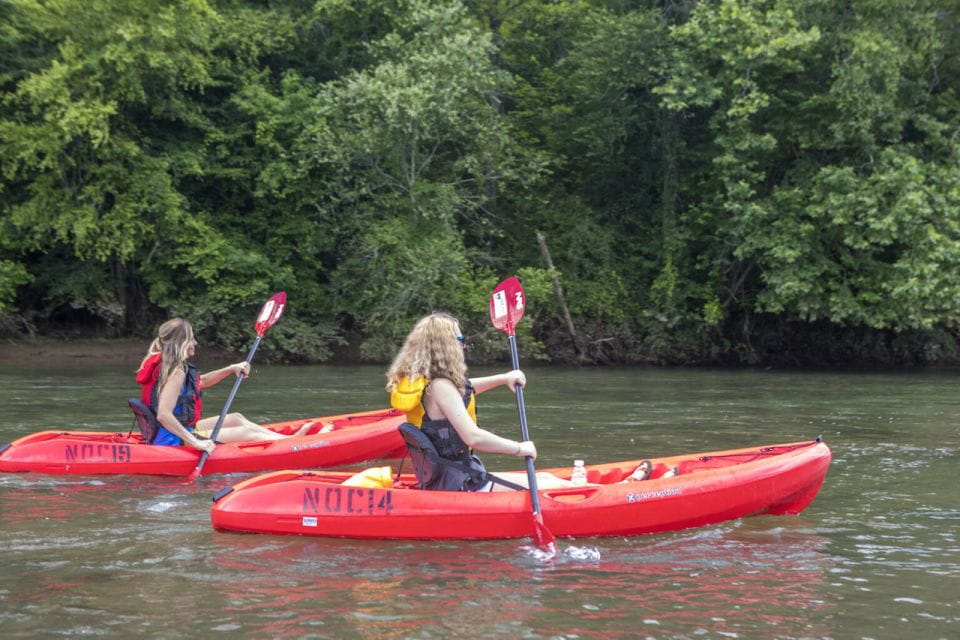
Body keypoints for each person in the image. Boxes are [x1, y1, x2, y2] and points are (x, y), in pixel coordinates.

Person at [386, 312, 576, 492]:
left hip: (446, 477)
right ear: (446, 346)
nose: (464, 345)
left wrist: (504, 378)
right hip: (459, 482)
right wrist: (519, 448)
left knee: (544, 477)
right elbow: (473, 437)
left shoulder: (424, 382)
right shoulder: (440, 386)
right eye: (460, 340)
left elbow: (464, 389)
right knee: (555, 485)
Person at [135, 318, 310, 453]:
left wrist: (231, 369)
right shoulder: (176, 372)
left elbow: (201, 382)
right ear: (180, 343)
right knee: (247, 433)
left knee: (236, 418)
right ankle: (294, 446)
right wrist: (196, 442)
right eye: (191, 339)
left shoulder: (164, 363)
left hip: (171, 432)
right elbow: (163, 415)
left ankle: (288, 439)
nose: (195, 343)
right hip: (172, 440)